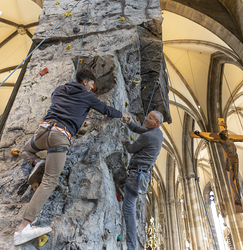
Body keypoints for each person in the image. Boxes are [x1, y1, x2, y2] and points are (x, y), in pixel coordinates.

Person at [14, 69, 130, 246]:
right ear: (85, 82)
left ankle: (37, 162)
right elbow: (105, 109)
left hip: (42, 131)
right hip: (60, 136)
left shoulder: (60, 89)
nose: (93, 88)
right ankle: (23, 227)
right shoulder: (87, 96)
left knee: (26, 151)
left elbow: (56, 98)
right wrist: (123, 115)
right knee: (50, 181)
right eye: (92, 84)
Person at [121, 110, 163, 250]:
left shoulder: (148, 137)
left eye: (149, 118)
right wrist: (129, 123)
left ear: (157, 122)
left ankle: (132, 247)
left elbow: (132, 149)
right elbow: (140, 129)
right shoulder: (157, 133)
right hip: (141, 174)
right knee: (129, 207)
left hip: (137, 174)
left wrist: (125, 143)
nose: (146, 119)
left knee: (128, 208)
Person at [194, 130, 243, 206]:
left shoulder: (231, 139)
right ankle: (236, 195)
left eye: (226, 133)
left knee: (237, 177)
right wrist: (200, 134)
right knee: (232, 177)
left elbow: (241, 139)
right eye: (224, 134)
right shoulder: (221, 141)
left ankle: (239, 195)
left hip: (236, 158)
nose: (226, 134)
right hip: (230, 158)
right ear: (222, 135)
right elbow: (210, 139)